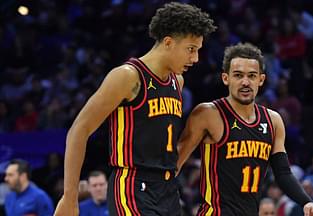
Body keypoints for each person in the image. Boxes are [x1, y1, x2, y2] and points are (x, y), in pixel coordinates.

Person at [54, 2, 216, 216]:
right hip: (132, 186)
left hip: (166, 189)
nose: (195, 59)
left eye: (197, 51)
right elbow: (79, 130)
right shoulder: (128, 76)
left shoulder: (178, 81)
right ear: (168, 42)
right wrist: (70, 197)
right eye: (191, 50)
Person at [177, 43, 313, 215]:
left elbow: (282, 173)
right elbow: (174, 164)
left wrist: (306, 201)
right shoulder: (208, 113)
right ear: (225, 78)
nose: (245, 82)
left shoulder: (273, 120)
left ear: (261, 79)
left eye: (252, 76)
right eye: (238, 75)